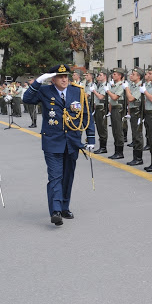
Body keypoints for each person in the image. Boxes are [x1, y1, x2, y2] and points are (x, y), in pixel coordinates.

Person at [23, 64, 95, 226]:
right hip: (53, 141)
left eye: (66, 76)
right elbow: (27, 99)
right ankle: (55, 210)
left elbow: (86, 115)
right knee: (55, 176)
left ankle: (64, 207)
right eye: (60, 77)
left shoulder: (77, 91)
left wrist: (91, 138)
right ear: (53, 79)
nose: (64, 79)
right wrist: (38, 81)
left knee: (68, 176)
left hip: (72, 141)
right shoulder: (45, 91)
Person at [124, 67, 145, 166]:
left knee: (137, 135)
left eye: (133, 74)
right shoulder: (133, 85)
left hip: (137, 111)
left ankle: (139, 158)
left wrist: (127, 88)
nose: (130, 76)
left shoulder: (139, 86)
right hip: (132, 111)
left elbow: (131, 98)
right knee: (134, 134)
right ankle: (135, 157)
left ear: (139, 77)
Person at [106, 68, 126, 160]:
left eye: (115, 74)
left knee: (118, 131)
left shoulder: (121, 85)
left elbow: (114, 97)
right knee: (114, 130)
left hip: (118, 109)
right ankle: (116, 151)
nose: (112, 76)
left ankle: (120, 152)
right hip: (113, 109)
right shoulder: (114, 85)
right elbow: (111, 101)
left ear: (120, 76)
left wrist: (108, 91)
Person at [91, 69, 109, 154]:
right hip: (97, 108)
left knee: (102, 128)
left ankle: (103, 147)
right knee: (99, 127)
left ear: (105, 76)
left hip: (102, 108)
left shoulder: (106, 85)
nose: (98, 76)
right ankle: (101, 146)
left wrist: (94, 91)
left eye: (100, 75)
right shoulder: (99, 85)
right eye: (98, 75)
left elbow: (101, 97)